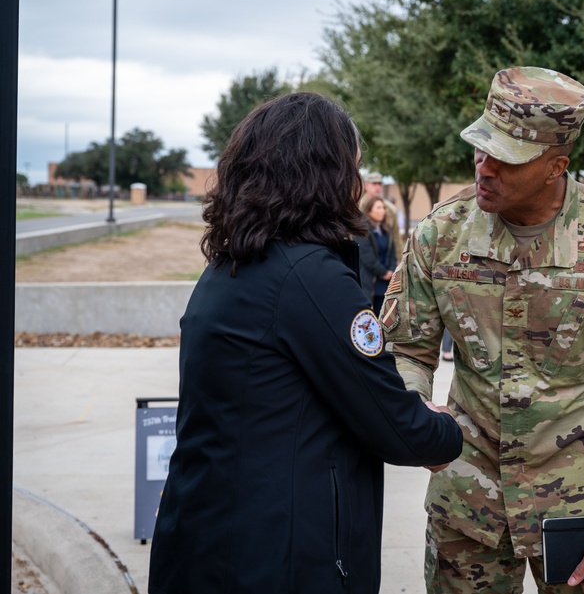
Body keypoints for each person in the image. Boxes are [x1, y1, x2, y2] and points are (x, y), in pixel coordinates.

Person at [380, 66, 584, 593]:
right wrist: (413, 409)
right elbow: (407, 346)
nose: (484, 167)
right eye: (481, 147)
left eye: (506, 159)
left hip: (580, 513)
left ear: (555, 166)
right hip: (468, 502)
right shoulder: (441, 235)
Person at [148, 92, 463, 594]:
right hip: (278, 559)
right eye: (353, 169)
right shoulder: (310, 278)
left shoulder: (230, 266)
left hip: (207, 541)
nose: (358, 186)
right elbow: (392, 422)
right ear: (326, 174)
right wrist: (444, 430)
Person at [358, 195, 396, 314]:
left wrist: (391, 270)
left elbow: (392, 253)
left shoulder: (386, 230)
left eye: (383, 208)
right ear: (369, 210)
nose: (382, 211)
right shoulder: (362, 230)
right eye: (378, 208)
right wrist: (383, 272)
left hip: (386, 282)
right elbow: (367, 256)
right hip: (371, 280)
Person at [361, 171, 405, 253]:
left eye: (380, 184)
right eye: (374, 184)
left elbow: (396, 236)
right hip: (362, 256)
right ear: (366, 186)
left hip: (385, 256)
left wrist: (400, 258)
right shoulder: (357, 207)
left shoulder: (390, 209)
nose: (378, 187)